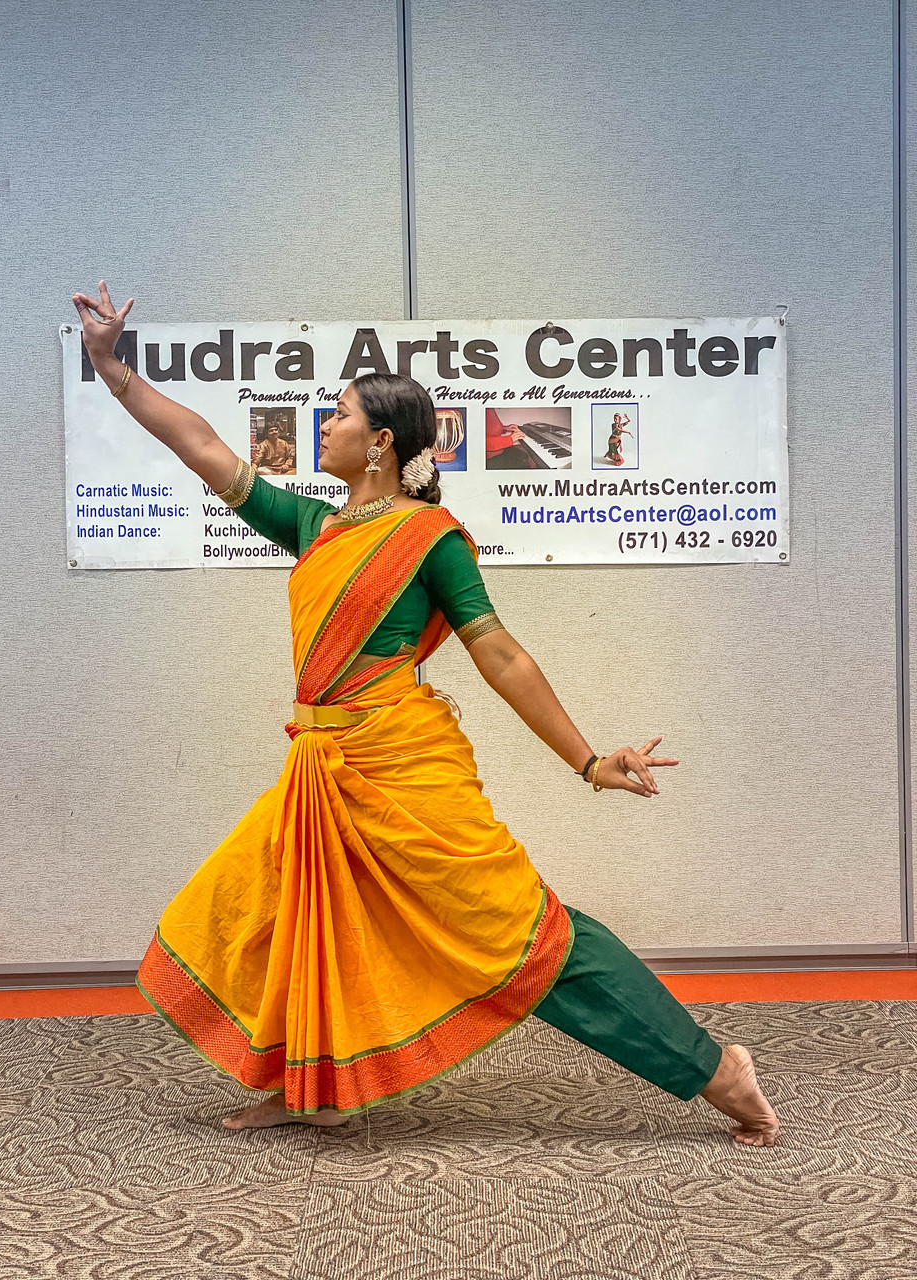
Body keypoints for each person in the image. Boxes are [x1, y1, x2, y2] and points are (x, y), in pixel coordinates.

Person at [72, 281, 780, 1147]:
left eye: (334, 415)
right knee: (286, 909)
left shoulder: (431, 540)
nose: (320, 425)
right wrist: (113, 368)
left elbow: (502, 654)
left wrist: (589, 761)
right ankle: (312, 1083)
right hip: (319, 771)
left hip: (405, 769)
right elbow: (207, 447)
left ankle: (715, 1068)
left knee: (524, 934)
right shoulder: (315, 528)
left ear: (379, 443)